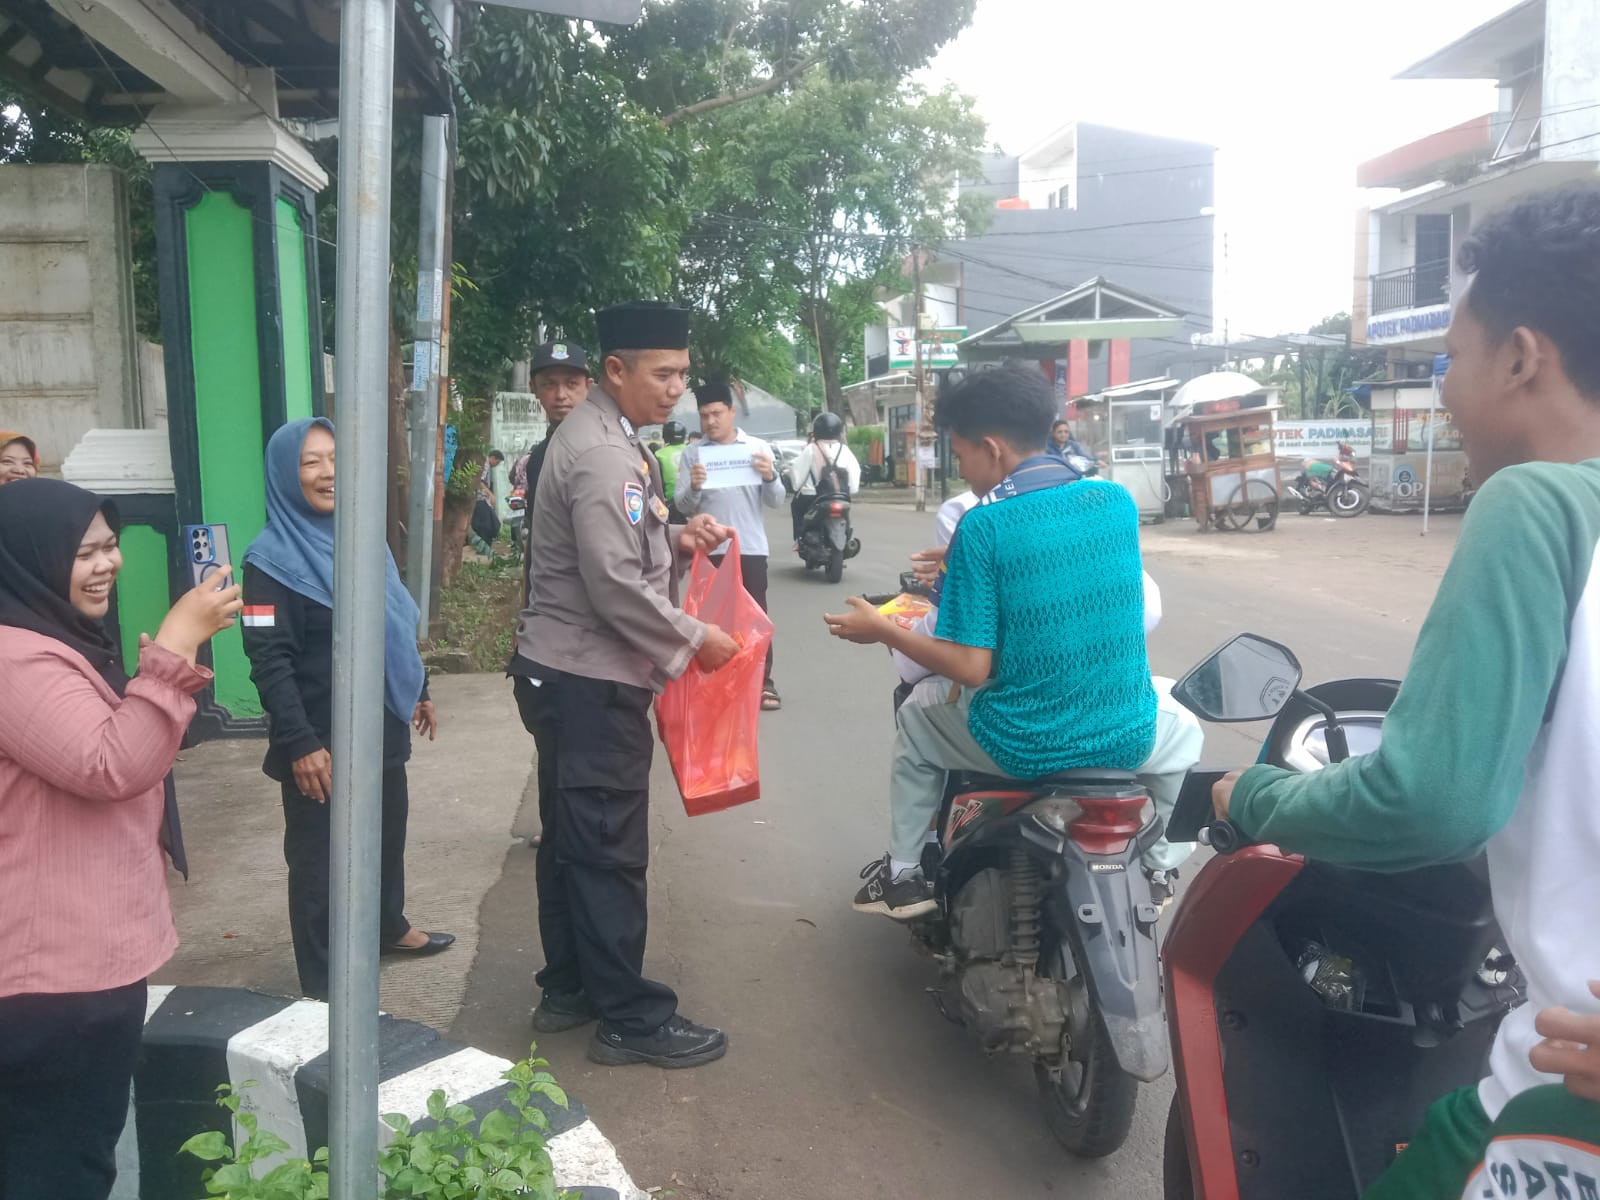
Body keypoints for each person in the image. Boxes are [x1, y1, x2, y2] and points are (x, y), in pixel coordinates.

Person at [1209, 185, 1600, 1200]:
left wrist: (1249, 798)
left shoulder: (1543, 506)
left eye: (1450, 360)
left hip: (1563, 1101)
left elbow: (1431, 798)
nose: (1442, 392)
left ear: (1519, 358)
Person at [823, 366, 1197, 920]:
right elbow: (1060, 577)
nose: (963, 470)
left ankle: (903, 875)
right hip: (1126, 731)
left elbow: (971, 667)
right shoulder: (1114, 502)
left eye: (962, 455)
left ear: (992, 449)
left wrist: (881, 628)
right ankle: (1161, 866)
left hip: (1024, 742)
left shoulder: (983, 525)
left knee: (917, 723)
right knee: (1185, 730)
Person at [507, 301, 738, 1069]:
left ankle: (570, 985)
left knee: (573, 840)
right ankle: (630, 1018)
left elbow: (617, 545)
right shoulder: (604, 451)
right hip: (587, 677)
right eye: (662, 372)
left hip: (561, 672)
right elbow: (610, 585)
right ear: (617, 370)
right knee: (607, 844)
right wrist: (696, 638)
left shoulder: (611, 440)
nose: (676, 387)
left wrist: (675, 536)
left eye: (681, 372)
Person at [0, 478, 240, 1200]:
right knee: (60, 1166)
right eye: (84, 552)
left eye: (111, 546)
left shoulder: (50, 639)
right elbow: (113, 764)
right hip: (56, 980)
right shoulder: (16, 660)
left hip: (77, 963)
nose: (107, 564)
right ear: (30, 557)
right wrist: (173, 648)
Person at [241, 418, 454, 1002]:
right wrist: (300, 742)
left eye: (334, 458)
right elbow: (269, 660)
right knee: (319, 863)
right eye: (311, 462)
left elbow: (393, 621)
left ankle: (387, 926)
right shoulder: (268, 561)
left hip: (379, 722)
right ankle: (323, 980)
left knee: (387, 831)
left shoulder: (362, 538)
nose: (328, 472)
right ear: (287, 474)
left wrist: (421, 686)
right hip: (320, 737)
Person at [675, 380, 787, 711]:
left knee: (755, 617)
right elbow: (682, 505)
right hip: (710, 549)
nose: (710, 421)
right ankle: (716, 678)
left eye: (717, 414)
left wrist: (769, 477)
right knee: (711, 619)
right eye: (704, 415)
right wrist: (694, 487)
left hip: (750, 547)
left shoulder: (756, 449)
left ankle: (763, 682)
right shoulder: (693, 454)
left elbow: (777, 501)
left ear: (732, 412)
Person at [520, 341, 594, 570]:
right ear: (534, 388)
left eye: (572, 384)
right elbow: (537, 537)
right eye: (549, 385)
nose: (561, 395)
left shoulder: (605, 449)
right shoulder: (539, 456)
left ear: (589, 386)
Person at [789, 411, 861, 542]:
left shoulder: (811, 449)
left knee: (796, 505)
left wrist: (796, 486)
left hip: (813, 496)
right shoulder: (844, 450)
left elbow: (797, 476)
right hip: (841, 496)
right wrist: (849, 491)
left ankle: (799, 539)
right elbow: (855, 474)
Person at [655, 419, 689, 518]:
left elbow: (657, 482)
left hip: (672, 504)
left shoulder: (659, 454)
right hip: (696, 500)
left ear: (665, 436)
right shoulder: (692, 451)